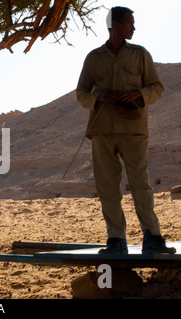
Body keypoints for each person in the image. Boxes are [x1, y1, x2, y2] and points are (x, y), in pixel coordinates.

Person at [76, 6, 175, 254]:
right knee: (108, 187)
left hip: (134, 129)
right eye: (129, 23)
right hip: (102, 130)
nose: (133, 27)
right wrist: (101, 96)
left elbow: (157, 87)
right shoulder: (93, 58)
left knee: (140, 183)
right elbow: (81, 94)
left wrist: (138, 94)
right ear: (115, 25)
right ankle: (116, 240)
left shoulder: (141, 55)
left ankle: (153, 237)